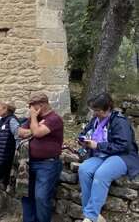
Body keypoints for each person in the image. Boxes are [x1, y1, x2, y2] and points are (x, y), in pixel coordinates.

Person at [78, 92, 139, 222]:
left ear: (108, 109)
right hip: (102, 154)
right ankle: (94, 215)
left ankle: (89, 216)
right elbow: (85, 132)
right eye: (93, 109)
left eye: (97, 110)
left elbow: (124, 146)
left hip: (123, 156)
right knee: (84, 169)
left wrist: (98, 146)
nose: (94, 113)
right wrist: (83, 140)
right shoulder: (95, 119)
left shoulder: (119, 122)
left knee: (102, 174)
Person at [18, 93, 63, 222]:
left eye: (32, 106)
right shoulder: (35, 119)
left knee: (41, 197)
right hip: (29, 162)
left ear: (41, 105)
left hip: (47, 164)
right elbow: (20, 132)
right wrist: (34, 126)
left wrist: (33, 122)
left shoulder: (54, 119)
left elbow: (38, 133)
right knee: (26, 195)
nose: (30, 109)